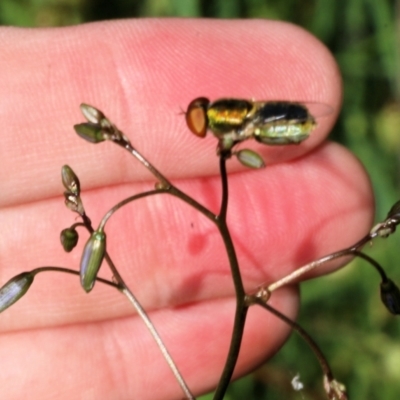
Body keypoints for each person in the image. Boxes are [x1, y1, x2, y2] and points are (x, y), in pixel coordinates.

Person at [0, 19, 373, 399]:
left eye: (197, 116)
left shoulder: (228, 125)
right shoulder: (223, 123)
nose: (192, 119)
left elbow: (245, 125)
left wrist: (230, 146)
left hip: (266, 124)